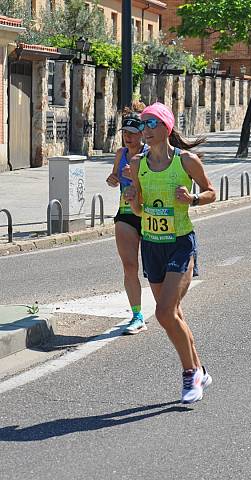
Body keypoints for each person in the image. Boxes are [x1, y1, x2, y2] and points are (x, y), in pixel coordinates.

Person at [125, 102, 216, 404]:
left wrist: (192, 199)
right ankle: (201, 370)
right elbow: (138, 209)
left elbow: (211, 192)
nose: (145, 130)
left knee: (164, 312)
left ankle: (190, 375)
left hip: (180, 243)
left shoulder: (186, 161)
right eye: (143, 125)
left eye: (152, 124)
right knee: (174, 313)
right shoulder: (137, 164)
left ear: (167, 126)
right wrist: (133, 199)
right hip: (151, 245)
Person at [106, 102, 149, 335]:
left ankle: (167, 308)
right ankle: (137, 315)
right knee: (129, 266)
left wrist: (136, 178)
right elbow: (114, 177)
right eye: (125, 134)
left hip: (149, 214)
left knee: (154, 269)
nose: (128, 138)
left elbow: (154, 186)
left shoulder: (150, 156)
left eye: (132, 134)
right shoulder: (121, 154)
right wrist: (113, 179)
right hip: (125, 214)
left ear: (142, 134)